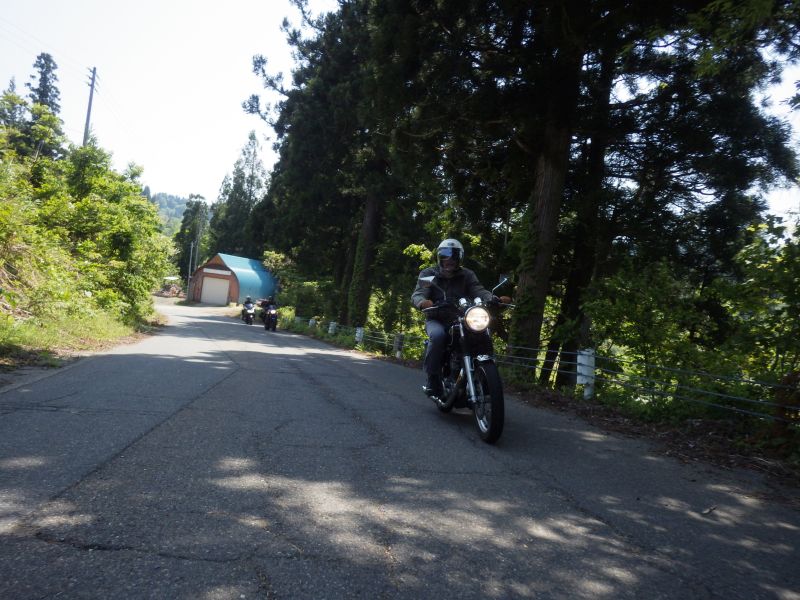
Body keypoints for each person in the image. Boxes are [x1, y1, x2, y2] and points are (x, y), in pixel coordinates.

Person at [411, 238, 511, 398]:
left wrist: (493, 299)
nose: (449, 259)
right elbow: (419, 293)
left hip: (462, 318)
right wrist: (422, 302)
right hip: (437, 318)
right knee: (438, 336)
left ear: (460, 257)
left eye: (454, 255)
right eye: (445, 254)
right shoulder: (428, 274)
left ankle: (486, 377)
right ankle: (433, 378)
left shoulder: (467, 274)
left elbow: (478, 290)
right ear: (439, 256)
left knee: (482, 333)